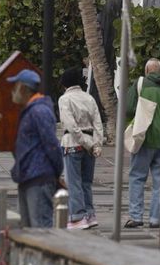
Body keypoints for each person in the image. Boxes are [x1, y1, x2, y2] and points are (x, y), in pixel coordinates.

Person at [7, 69, 63, 228]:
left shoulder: (39, 111)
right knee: (28, 229)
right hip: (28, 176)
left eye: (15, 86)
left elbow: (52, 145)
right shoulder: (31, 110)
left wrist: (56, 173)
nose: (13, 91)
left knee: (40, 229)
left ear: (24, 89)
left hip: (38, 176)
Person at [58, 67, 103, 230]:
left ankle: (77, 216)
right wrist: (96, 144)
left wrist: (85, 142)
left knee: (74, 181)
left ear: (65, 84)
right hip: (90, 142)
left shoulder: (64, 99)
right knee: (86, 182)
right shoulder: (89, 98)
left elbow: (70, 125)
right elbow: (97, 122)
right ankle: (90, 215)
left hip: (72, 143)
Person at [126, 58, 160, 228]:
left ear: (147, 71)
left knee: (137, 177)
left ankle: (136, 216)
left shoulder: (141, 83)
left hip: (144, 138)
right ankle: (156, 219)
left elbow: (128, 108)